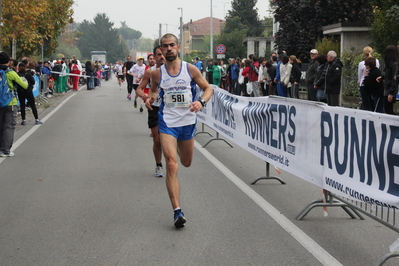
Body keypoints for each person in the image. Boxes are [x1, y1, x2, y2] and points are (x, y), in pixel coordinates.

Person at [145, 33, 213, 228]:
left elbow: (208, 88)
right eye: (165, 46)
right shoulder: (157, 73)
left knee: (186, 162)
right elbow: (153, 90)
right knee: (172, 165)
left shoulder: (190, 69)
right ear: (161, 49)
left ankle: (176, 151)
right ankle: (177, 211)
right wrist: (150, 98)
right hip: (167, 122)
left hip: (188, 121)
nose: (168, 49)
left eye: (172, 45)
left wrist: (201, 101)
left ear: (178, 47)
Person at [136, 46, 165, 177]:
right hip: (155, 106)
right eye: (158, 54)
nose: (161, 57)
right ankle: (159, 165)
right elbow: (139, 89)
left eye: (162, 54)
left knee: (171, 140)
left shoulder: (176, 70)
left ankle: (171, 161)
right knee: (157, 140)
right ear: (154, 57)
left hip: (171, 108)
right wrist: (144, 97)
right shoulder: (150, 72)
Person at [0, 52, 29, 157]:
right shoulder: (10, 73)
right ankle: (5, 150)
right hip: (10, 103)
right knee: (9, 126)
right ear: (8, 62)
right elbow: (24, 85)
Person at [358, 46, 380, 110]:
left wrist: (359, 80)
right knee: (372, 102)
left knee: (366, 102)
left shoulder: (362, 63)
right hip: (373, 84)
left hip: (364, 83)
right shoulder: (377, 61)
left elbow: (359, 74)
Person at [382, 45, 398, 114]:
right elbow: (389, 76)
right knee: (387, 108)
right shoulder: (389, 64)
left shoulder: (394, 65)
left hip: (390, 89)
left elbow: (394, 79)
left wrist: (391, 93)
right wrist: (382, 77)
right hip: (387, 88)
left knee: (388, 109)